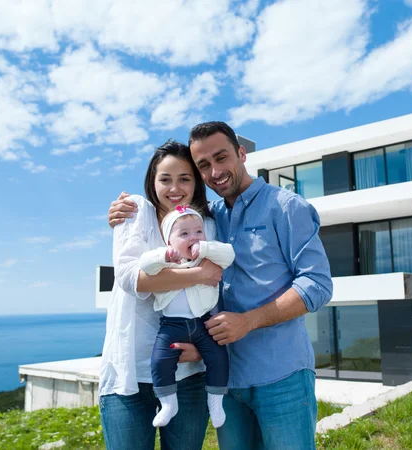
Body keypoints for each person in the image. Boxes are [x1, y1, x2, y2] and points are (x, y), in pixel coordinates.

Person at [108, 122, 333, 450]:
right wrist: (121, 212)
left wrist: (249, 321)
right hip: (225, 382)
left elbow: (317, 285)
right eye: (203, 166)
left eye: (221, 157)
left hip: (281, 376)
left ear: (241, 154)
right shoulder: (204, 219)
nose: (215, 171)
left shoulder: (287, 206)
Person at [99, 140, 224, 450]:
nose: (175, 188)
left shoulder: (205, 225)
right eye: (165, 179)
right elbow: (130, 279)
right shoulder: (136, 210)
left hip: (187, 372)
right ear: (152, 181)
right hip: (128, 372)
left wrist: (201, 351)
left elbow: (212, 293)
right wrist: (197, 274)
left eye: (185, 178)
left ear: (196, 183)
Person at [139, 205, 235, 428]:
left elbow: (229, 253)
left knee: (219, 358)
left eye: (198, 231)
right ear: (169, 241)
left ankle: (216, 401)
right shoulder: (164, 264)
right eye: (184, 234)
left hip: (202, 323)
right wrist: (164, 255)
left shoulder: (207, 258)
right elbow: (144, 264)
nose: (193, 237)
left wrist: (204, 248)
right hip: (171, 325)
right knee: (160, 361)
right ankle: (168, 403)